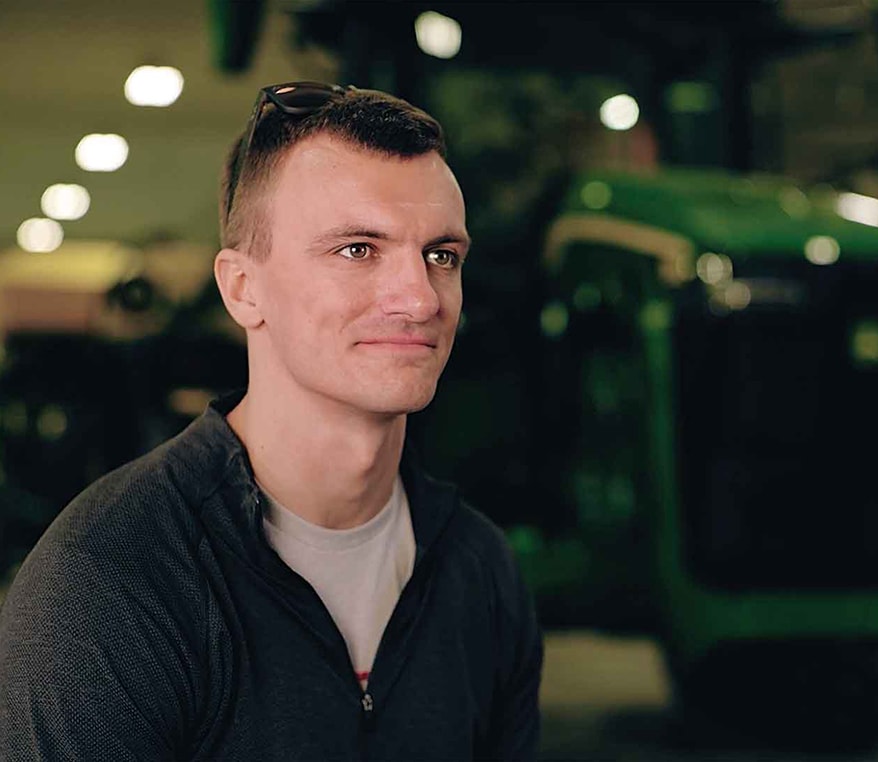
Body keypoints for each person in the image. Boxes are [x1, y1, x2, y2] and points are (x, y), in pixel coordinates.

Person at [0, 82, 543, 760]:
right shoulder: (110, 581)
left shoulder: (481, 572)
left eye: (442, 255)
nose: (419, 298)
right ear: (241, 289)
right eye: (357, 249)